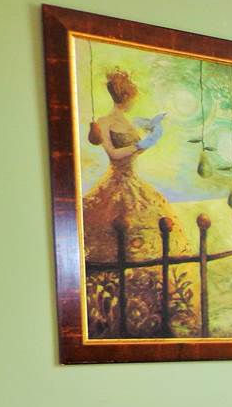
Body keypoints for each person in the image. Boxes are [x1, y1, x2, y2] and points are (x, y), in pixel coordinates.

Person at [83, 68, 196, 338]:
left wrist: (148, 140)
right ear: (124, 96)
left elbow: (134, 152)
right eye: (130, 96)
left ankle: (152, 305)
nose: (132, 101)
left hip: (134, 181)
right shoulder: (105, 122)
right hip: (116, 182)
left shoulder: (128, 121)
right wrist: (141, 144)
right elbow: (114, 153)